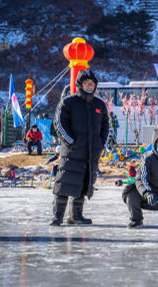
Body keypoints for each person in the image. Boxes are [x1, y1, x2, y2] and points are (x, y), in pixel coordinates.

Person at [50, 70, 109, 226]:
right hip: (72, 151)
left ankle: (76, 216)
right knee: (64, 183)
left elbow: (106, 127)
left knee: (83, 184)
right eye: (86, 83)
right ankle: (57, 217)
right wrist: (71, 142)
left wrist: (100, 144)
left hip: (91, 153)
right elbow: (59, 124)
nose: (89, 86)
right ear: (79, 85)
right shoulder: (68, 102)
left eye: (92, 83)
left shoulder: (99, 105)